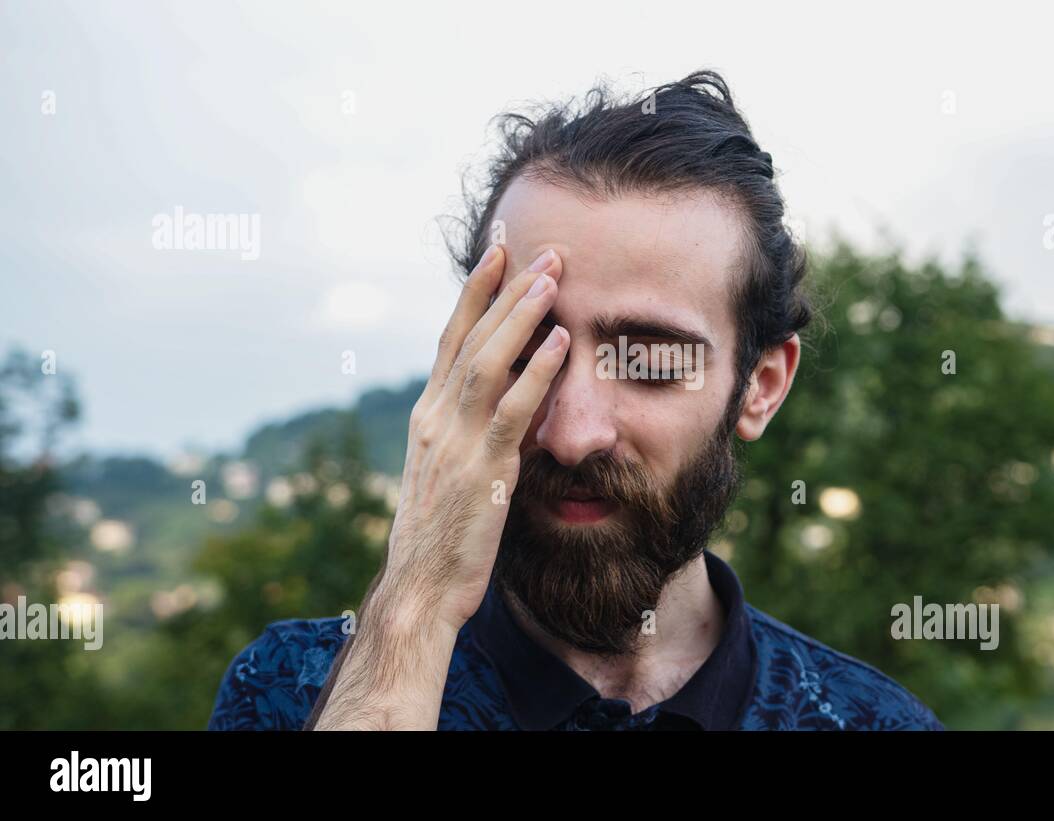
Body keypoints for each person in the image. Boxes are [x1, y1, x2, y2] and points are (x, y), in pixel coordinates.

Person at [208, 69, 942, 731]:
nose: (571, 432)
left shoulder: (869, 723)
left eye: (650, 360)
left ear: (762, 386)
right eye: (527, 351)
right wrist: (413, 606)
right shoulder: (290, 691)